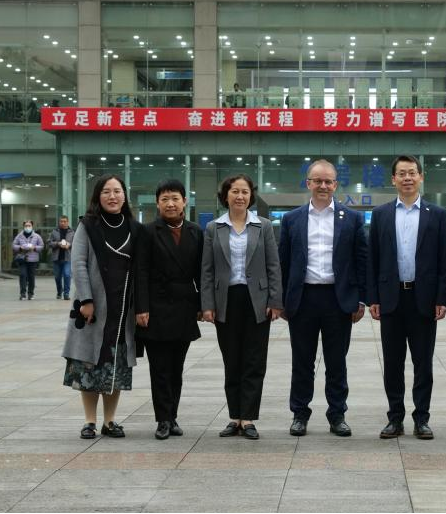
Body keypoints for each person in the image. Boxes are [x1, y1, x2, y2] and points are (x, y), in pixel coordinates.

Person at [278, 160, 367, 438]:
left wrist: (361, 300)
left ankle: (337, 415)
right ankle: (299, 414)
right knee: (302, 362)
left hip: (338, 300)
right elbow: (283, 262)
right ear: (308, 183)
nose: (323, 186)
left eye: (328, 181)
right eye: (317, 181)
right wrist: (281, 300)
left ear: (336, 185)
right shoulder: (292, 219)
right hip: (303, 298)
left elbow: (361, 261)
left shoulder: (351, 218)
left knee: (336, 362)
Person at [368, 155, 446, 440]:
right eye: (402, 173)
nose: (407, 178)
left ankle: (422, 418)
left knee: (422, 363)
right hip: (391, 298)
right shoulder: (381, 214)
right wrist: (373, 297)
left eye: (412, 173)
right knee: (392, 363)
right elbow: (373, 258)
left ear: (421, 177)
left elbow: (444, 260)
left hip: (423, 299)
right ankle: (395, 418)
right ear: (393, 179)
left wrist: (442, 298)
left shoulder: (437, 214)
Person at [201, 174, 284, 440]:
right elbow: (207, 270)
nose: (240, 196)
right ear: (225, 196)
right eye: (235, 191)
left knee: (254, 360)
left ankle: (248, 418)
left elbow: (273, 266)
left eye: (245, 192)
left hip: (256, 301)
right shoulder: (214, 228)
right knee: (232, 359)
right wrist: (207, 305)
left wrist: (275, 301)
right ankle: (234, 416)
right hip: (226, 301)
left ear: (251, 196)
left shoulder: (263, 226)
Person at [62, 174, 143, 440]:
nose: (112, 196)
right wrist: (86, 300)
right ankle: (89, 421)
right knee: (90, 363)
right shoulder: (87, 226)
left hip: (122, 309)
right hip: (94, 308)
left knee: (115, 364)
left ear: (124, 196)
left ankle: (110, 421)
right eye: (106, 191)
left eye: (117, 191)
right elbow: (78, 264)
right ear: (98, 196)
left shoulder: (134, 228)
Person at [135, 179, 204, 440]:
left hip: (185, 306)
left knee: (177, 368)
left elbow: (201, 273)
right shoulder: (147, 231)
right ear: (157, 203)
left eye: (175, 198)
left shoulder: (196, 231)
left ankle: (172, 416)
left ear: (185, 201)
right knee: (159, 369)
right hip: (155, 307)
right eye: (165, 199)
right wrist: (141, 307)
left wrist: (202, 305)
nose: (170, 203)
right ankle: (162, 419)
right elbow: (140, 271)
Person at [12, 220, 44, 301]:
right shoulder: (19, 236)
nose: (27, 227)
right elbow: (14, 245)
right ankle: (22, 294)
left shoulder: (36, 236)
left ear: (32, 226)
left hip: (33, 260)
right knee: (22, 275)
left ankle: (31, 293)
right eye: (26, 226)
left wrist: (35, 248)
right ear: (23, 226)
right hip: (22, 259)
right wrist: (20, 247)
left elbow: (42, 246)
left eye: (29, 226)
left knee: (31, 277)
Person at [49, 215, 75, 300]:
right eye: (61, 221)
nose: (63, 223)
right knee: (57, 277)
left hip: (67, 258)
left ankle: (66, 293)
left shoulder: (72, 232)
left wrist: (69, 245)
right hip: (57, 258)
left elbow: (76, 243)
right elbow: (49, 243)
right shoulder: (54, 232)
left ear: (67, 222)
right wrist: (58, 244)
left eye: (64, 221)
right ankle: (59, 292)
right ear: (59, 222)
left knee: (67, 275)